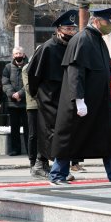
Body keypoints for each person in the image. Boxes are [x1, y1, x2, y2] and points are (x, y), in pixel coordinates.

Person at [50, 6, 111, 184]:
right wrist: (78, 100)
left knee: (109, 137)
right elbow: (75, 72)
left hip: (100, 101)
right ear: (95, 21)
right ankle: (57, 175)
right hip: (82, 102)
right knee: (69, 138)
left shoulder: (98, 40)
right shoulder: (82, 39)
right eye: (107, 21)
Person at [26, 9, 78, 177]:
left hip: (66, 95)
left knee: (63, 131)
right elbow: (33, 73)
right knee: (52, 130)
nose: (71, 32)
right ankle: (52, 166)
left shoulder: (73, 47)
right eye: (68, 29)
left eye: (73, 29)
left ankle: (47, 164)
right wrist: (38, 94)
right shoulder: (47, 48)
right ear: (58, 30)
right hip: (49, 95)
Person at [3, 47, 29, 158]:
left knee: (28, 128)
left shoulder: (29, 67)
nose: (18, 55)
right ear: (13, 55)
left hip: (26, 103)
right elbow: (5, 82)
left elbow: (30, 83)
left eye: (20, 53)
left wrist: (20, 94)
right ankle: (15, 149)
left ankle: (30, 150)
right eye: (16, 53)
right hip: (12, 103)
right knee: (14, 128)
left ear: (24, 55)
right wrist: (12, 94)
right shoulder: (8, 67)